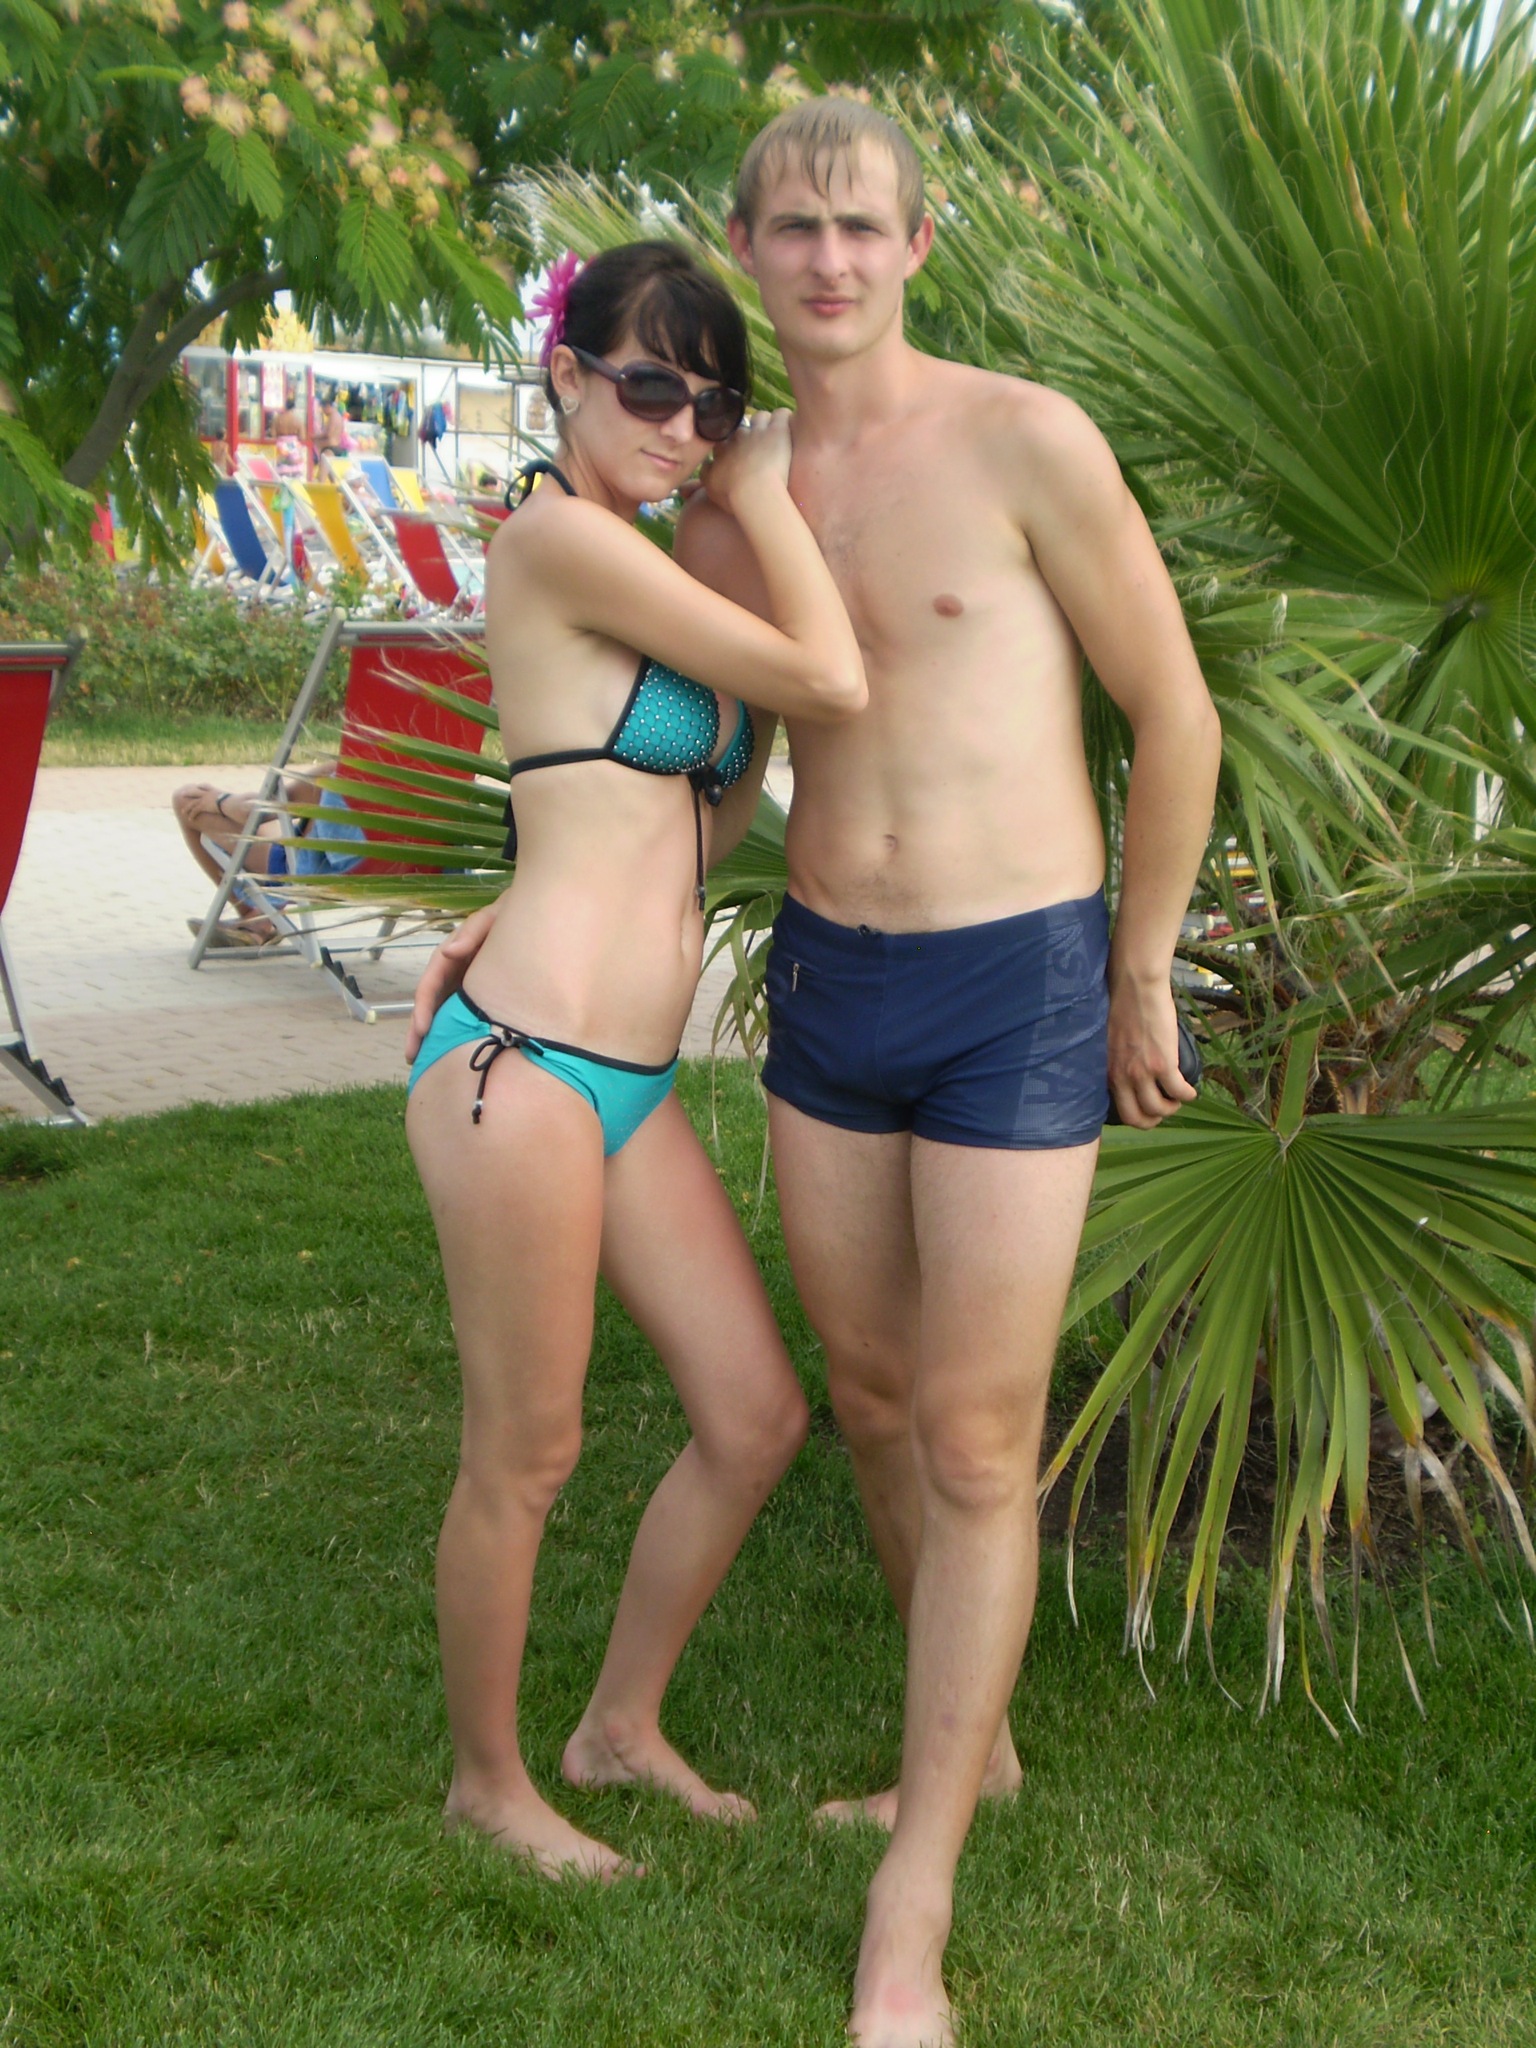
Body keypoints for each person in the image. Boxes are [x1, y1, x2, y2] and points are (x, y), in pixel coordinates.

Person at [413, 103, 1222, 2044]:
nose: (831, 258)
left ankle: (908, 1907)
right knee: (859, 1395)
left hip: (1016, 971)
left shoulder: (1023, 440)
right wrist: (528, 898)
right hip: (825, 982)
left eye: (864, 225)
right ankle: (957, 1749)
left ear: (918, 242)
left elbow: (1171, 708)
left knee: (971, 1433)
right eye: (795, 227)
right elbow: (714, 750)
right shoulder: (713, 493)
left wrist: (1140, 964)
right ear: (752, 243)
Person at [403, 241, 866, 1881]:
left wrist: (511, 891)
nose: (685, 429)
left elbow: (691, 824)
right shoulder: (553, 540)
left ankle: (617, 1725)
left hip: (627, 1080)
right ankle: (488, 1781)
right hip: (524, 1072)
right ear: (567, 375)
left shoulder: (642, 563)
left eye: (716, 405)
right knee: (526, 1452)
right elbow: (828, 677)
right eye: (655, 388)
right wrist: (766, 493)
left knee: (754, 1413)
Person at [174, 773, 365, 945]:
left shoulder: (340, 771)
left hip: (308, 876)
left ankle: (255, 916)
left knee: (185, 798)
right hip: (375, 881)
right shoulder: (384, 777)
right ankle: (262, 916)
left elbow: (260, 810)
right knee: (282, 828)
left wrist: (219, 800)